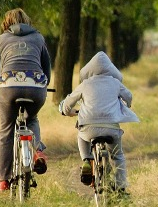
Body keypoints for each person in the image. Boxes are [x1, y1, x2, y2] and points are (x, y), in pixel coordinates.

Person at [0, 8, 51, 192]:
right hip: (36, 86)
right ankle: (38, 151)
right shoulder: (38, 38)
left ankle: (4, 179)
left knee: (6, 129)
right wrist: (44, 84)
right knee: (31, 119)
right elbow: (47, 67)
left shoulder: (0, 40)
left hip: (8, 86)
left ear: (6, 23)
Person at [58, 51, 138, 195]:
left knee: (81, 135)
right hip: (111, 128)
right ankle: (121, 187)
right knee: (118, 156)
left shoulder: (85, 84)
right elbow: (129, 97)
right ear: (111, 69)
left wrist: (66, 110)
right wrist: (126, 104)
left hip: (88, 128)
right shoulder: (115, 82)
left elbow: (68, 104)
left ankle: (87, 160)